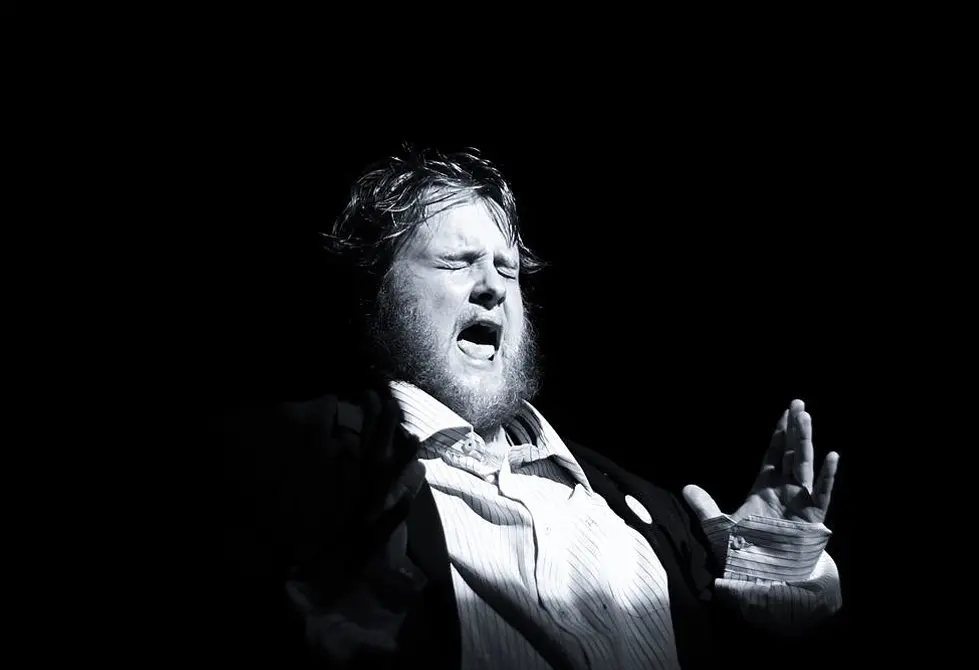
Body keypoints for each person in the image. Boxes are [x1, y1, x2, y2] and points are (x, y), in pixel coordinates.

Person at [220, 146, 843, 669]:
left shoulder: (645, 507)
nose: (493, 285)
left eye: (508, 268)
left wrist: (773, 564)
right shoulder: (304, 459)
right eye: (456, 262)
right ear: (377, 292)